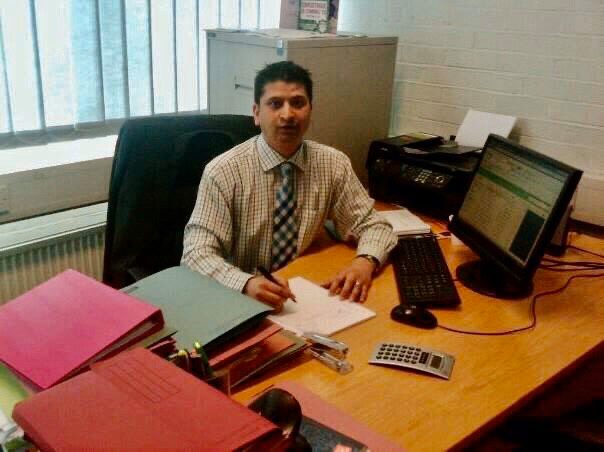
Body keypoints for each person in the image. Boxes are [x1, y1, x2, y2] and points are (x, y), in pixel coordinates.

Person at [182, 61, 396, 312]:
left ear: (310, 110)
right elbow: (196, 253)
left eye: (297, 103)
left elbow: (374, 225)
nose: (288, 115)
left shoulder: (332, 163)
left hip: (306, 290)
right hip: (241, 299)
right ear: (256, 113)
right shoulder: (223, 172)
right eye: (275, 104)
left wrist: (365, 262)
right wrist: (246, 283)